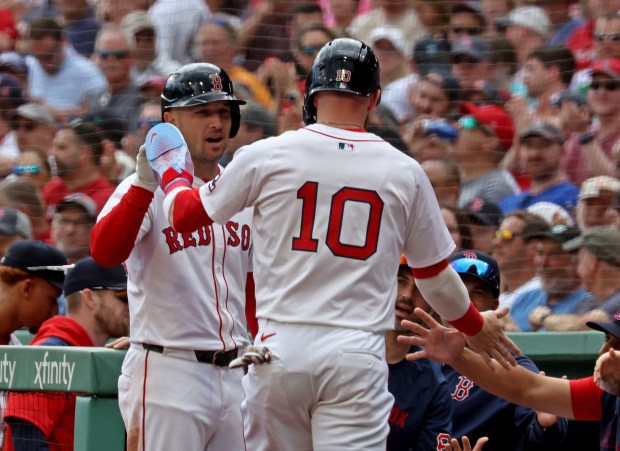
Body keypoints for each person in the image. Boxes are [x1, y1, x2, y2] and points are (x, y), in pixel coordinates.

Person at [147, 38, 519, 450]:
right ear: (374, 98)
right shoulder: (404, 170)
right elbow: (432, 275)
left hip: (279, 347)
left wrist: (171, 170)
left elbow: (183, 216)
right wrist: (472, 323)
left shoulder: (268, 153)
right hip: (354, 351)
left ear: (310, 90)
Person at [90, 62, 255, 451]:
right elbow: (104, 252)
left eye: (223, 112)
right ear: (170, 121)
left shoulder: (242, 189)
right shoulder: (141, 189)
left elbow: (253, 287)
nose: (216, 123)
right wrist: (146, 186)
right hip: (169, 371)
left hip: (237, 373)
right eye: (202, 112)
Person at [399, 308, 620, 451]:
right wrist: (457, 354)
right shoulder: (604, 394)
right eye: (607, 339)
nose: (605, 350)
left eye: (617, 344)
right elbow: (527, 389)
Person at [442, 250, 568, 450]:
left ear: (494, 306)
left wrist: (548, 424)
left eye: (478, 293)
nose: (465, 302)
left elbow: (545, 432)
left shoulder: (510, 365)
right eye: (457, 291)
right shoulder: (413, 351)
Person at [3, 257, 129, 451]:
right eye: (123, 295)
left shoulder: (91, 351)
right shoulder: (50, 351)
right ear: (90, 298)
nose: (132, 305)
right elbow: (26, 439)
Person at [387, 255, 452, 450]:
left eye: (421, 289)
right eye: (400, 281)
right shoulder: (342, 343)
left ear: (433, 307)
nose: (407, 294)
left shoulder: (434, 385)